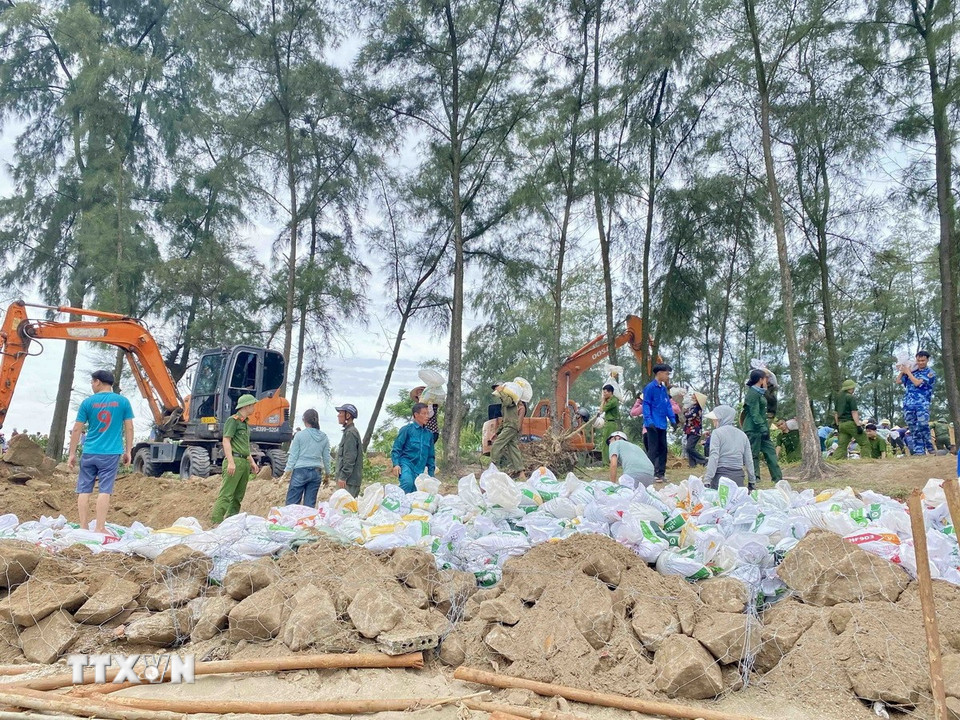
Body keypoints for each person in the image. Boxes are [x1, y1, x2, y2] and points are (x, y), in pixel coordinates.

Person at [66, 370, 134, 534]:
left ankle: (83, 527)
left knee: (84, 490)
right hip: (111, 453)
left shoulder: (87, 403)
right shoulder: (123, 402)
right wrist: (128, 451)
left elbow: (77, 429)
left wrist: (72, 453)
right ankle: (99, 527)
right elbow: (129, 427)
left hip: (89, 451)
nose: (92, 385)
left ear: (98, 382)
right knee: (105, 490)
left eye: (92, 382)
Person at [210, 393, 260, 525]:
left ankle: (231, 523)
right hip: (235, 460)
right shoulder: (233, 420)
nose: (254, 408)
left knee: (238, 496)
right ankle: (216, 522)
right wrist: (231, 462)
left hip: (244, 462)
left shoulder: (245, 423)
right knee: (227, 494)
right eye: (253, 405)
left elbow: (244, 446)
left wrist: (252, 462)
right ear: (247, 406)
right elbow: (226, 440)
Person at [281, 409, 331, 507]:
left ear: (304, 420)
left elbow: (293, 456)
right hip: (316, 472)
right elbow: (326, 458)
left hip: (300, 471)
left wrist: (286, 472)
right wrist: (327, 475)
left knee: (292, 505)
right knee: (309, 507)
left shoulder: (299, 435)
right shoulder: (324, 437)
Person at [703, 405, 756, 490]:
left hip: (720, 478)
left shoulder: (717, 433)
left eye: (715, 419)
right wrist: (752, 481)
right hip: (738, 478)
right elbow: (749, 460)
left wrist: (707, 480)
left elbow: (714, 456)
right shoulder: (742, 435)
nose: (713, 422)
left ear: (721, 418)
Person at [742, 369, 782, 483]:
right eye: (765, 378)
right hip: (753, 428)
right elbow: (754, 413)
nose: (767, 380)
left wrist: (764, 428)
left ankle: (778, 478)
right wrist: (762, 426)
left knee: (770, 452)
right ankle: (755, 478)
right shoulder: (752, 393)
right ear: (761, 379)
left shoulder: (760, 392)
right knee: (753, 454)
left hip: (762, 428)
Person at [642, 363, 677, 483]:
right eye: (667, 374)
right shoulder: (650, 388)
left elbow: (667, 405)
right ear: (659, 373)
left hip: (662, 424)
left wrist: (672, 420)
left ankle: (660, 474)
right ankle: (649, 474)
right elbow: (646, 404)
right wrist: (649, 420)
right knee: (653, 449)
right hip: (652, 423)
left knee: (663, 449)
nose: (668, 376)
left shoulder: (663, 389)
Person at [898, 350, 936, 455]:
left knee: (923, 424)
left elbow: (917, 383)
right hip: (908, 404)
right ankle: (919, 450)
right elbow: (898, 381)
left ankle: (929, 446)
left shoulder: (930, 373)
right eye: (918, 360)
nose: (920, 363)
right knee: (913, 427)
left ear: (927, 360)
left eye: (923, 360)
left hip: (922, 403)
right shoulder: (913, 370)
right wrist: (903, 370)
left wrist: (908, 372)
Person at [392, 402, 436, 492]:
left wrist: (431, 475)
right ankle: (396, 500)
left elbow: (431, 456)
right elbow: (397, 448)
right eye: (424, 413)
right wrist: (396, 464)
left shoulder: (429, 434)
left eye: (428, 413)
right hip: (406, 464)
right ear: (416, 415)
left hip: (420, 468)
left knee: (416, 490)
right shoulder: (406, 430)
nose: (427, 416)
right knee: (408, 483)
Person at [489, 383, 523, 474]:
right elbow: (504, 420)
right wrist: (497, 432)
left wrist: (502, 392)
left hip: (510, 427)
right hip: (509, 427)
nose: (497, 390)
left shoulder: (511, 399)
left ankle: (492, 468)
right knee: (513, 450)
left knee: (496, 445)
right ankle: (521, 472)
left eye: (497, 388)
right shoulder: (504, 403)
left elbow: (507, 402)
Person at [833, 378, 867, 461]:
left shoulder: (838, 398)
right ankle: (867, 460)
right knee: (864, 442)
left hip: (841, 424)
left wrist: (837, 424)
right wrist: (858, 425)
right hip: (850, 423)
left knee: (842, 446)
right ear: (851, 388)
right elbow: (854, 412)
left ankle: (835, 461)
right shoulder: (850, 397)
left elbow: (836, 413)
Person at [335, 404, 363, 497]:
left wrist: (343, 477)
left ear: (348, 415)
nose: (338, 415)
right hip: (348, 481)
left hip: (348, 482)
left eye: (340, 413)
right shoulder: (349, 432)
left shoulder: (350, 433)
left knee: (345, 505)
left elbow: (349, 458)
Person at [682, 392, 708, 468]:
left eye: (693, 395)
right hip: (690, 430)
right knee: (690, 448)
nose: (692, 396)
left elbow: (690, 416)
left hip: (695, 431)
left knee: (689, 447)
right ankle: (692, 464)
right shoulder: (692, 406)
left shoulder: (697, 407)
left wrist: (684, 412)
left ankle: (703, 460)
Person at [599, 384, 621, 463]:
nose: (604, 394)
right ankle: (608, 461)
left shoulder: (613, 401)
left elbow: (602, 409)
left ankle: (606, 462)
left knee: (607, 442)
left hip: (611, 423)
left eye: (605, 392)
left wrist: (603, 400)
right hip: (609, 423)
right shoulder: (612, 400)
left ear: (610, 392)